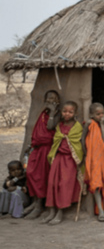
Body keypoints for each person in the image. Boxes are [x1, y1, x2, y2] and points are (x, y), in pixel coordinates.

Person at [41, 101, 85, 226]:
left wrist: (81, 159)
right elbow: (53, 136)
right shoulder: (58, 126)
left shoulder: (78, 127)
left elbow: (80, 145)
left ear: (75, 113)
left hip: (70, 160)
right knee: (52, 183)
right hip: (58, 158)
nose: (67, 114)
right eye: (65, 111)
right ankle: (51, 211)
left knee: (63, 185)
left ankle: (60, 212)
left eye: (70, 112)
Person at [22, 90, 60, 219]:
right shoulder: (43, 113)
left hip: (47, 149)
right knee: (30, 173)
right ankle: (34, 203)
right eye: (49, 98)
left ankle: (39, 206)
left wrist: (52, 112)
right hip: (37, 148)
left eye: (54, 98)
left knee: (41, 176)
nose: (51, 101)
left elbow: (50, 127)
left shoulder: (57, 114)